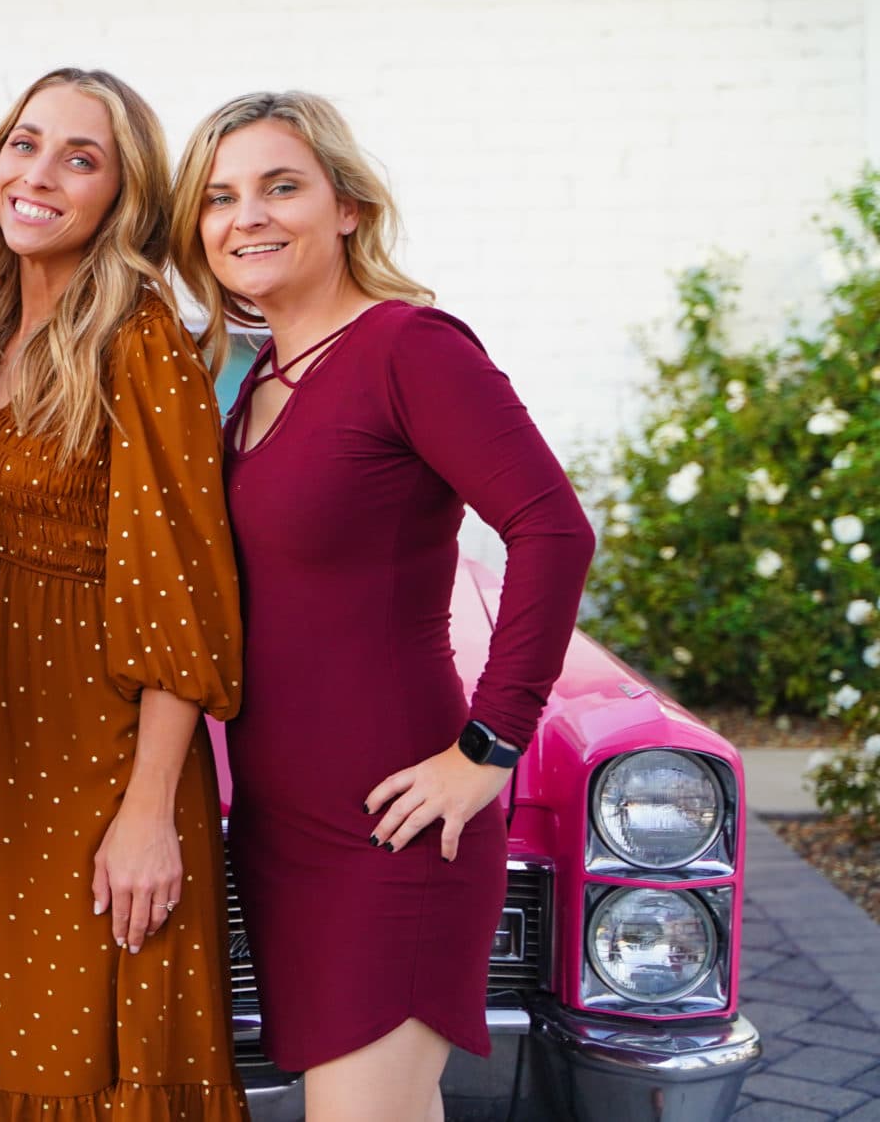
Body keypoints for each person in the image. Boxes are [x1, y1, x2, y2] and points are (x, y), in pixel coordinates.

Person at [169, 92, 594, 1122]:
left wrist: (488, 748)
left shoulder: (407, 347)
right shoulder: (256, 375)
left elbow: (552, 530)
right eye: (219, 198)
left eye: (280, 186)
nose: (247, 217)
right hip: (279, 827)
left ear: (346, 206)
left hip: (396, 822)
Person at [0, 67, 247, 1122]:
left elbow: (181, 594)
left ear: (121, 196)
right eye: (24, 143)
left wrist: (147, 815)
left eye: (80, 158)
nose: (39, 174)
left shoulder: (139, 340)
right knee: (5, 1038)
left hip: (98, 763)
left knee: (84, 1054)